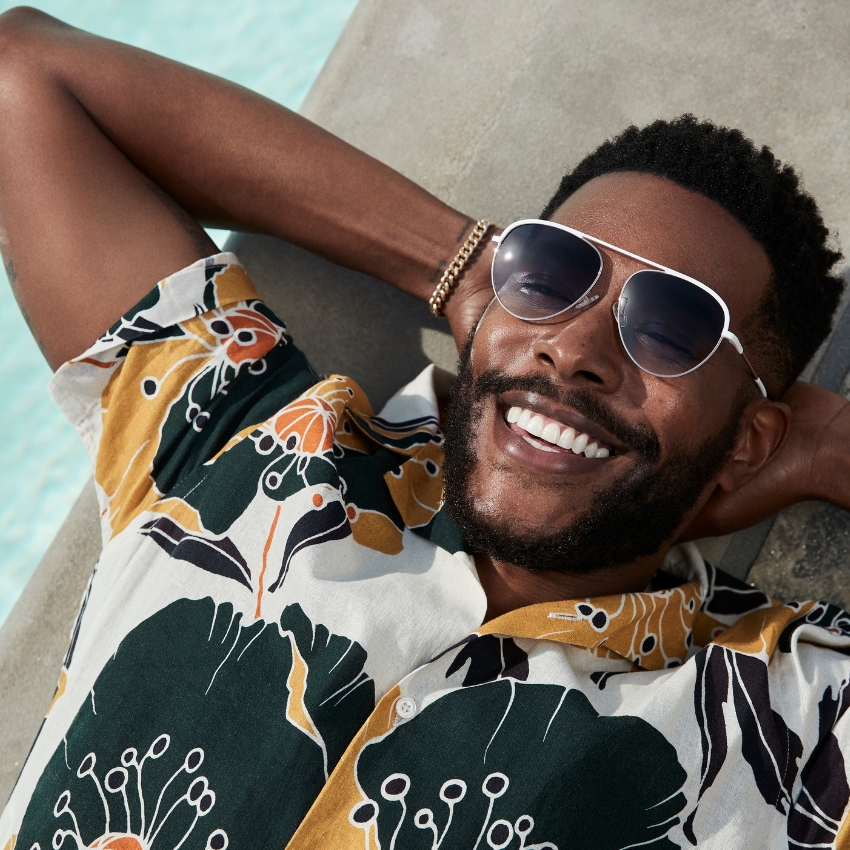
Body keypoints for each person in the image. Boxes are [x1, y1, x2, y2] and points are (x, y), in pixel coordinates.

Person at [1, 7, 849, 849]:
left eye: (671, 330)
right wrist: (466, 270)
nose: (572, 349)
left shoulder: (792, 722)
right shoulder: (258, 448)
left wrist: (809, 448)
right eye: (550, 276)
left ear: (752, 439)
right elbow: (27, 74)